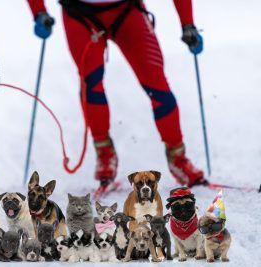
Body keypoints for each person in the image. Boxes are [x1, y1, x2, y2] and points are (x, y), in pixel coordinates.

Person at [26, 0, 208, 192]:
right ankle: (104, 153)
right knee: (91, 84)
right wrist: (39, 12)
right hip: (79, 15)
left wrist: (187, 23)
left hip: (127, 10)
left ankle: (178, 158)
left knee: (157, 84)